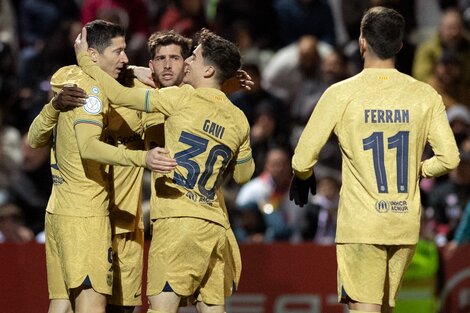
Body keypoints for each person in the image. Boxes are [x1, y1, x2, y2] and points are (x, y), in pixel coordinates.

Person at [290, 6, 460, 313]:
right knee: (383, 307)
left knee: (364, 308)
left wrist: (303, 179)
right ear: (399, 46)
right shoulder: (425, 95)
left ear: (362, 42)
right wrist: (418, 170)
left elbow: (302, 160)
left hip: (362, 223)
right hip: (404, 224)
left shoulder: (340, 94)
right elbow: (449, 158)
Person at [75, 27, 255, 313]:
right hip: (215, 224)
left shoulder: (179, 98)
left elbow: (119, 95)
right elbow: (244, 175)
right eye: (162, 59)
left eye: (189, 58)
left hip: (176, 221)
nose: (182, 64)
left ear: (205, 69)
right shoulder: (240, 119)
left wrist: (85, 60)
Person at [27, 20, 176, 313]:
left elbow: (34, 139)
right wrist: (142, 158)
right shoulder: (88, 91)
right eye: (118, 52)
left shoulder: (71, 83)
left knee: (65, 304)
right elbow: (88, 144)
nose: (125, 58)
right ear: (92, 55)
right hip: (88, 215)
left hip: (104, 219)